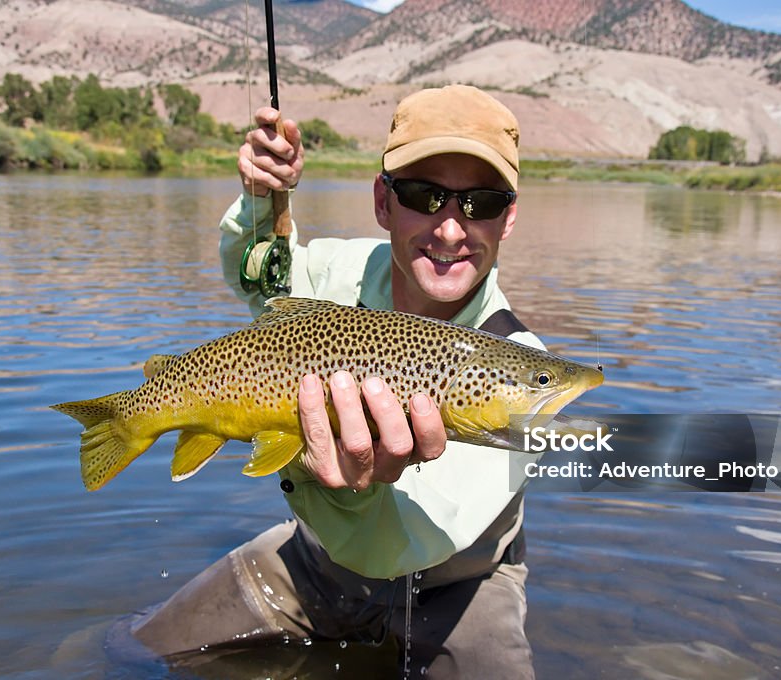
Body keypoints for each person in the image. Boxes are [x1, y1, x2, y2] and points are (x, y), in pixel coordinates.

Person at [117, 85, 542, 679]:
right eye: (424, 195)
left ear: (510, 216)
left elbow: (408, 542)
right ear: (383, 202)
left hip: (462, 591)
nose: (450, 229)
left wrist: (347, 486)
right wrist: (264, 200)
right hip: (318, 564)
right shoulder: (336, 272)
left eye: (482, 202)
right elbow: (265, 278)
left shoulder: (521, 372)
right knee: (132, 653)